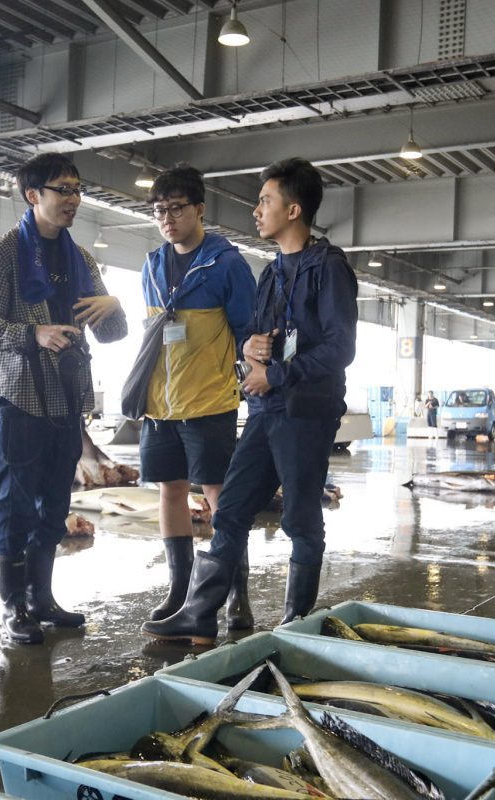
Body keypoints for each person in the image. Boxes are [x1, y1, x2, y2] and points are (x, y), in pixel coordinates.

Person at [142, 157, 358, 645]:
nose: (256, 210)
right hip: (266, 409)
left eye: (265, 201)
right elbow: (257, 336)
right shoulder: (271, 273)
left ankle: (294, 624)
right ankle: (199, 612)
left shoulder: (330, 269)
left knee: (302, 518)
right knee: (232, 508)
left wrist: (276, 372)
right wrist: (251, 350)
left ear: (295, 209)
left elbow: (340, 348)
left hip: (306, 412)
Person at [0, 153, 127, 646]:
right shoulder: (3, 255)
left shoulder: (81, 260)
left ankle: (42, 598)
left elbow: (112, 334)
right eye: (63, 190)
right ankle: (13, 605)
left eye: (77, 190)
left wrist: (114, 307)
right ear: (33, 195)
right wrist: (33, 333)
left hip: (67, 399)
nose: (73, 200)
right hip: (21, 399)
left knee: (55, 504)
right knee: (14, 506)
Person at [137, 165, 256, 630]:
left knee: (219, 496)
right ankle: (181, 591)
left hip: (209, 401)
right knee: (169, 491)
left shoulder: (226, 263)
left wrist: (253, 379)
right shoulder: (152, 264)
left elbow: (248, 331)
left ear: (199, 209)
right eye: (159, 211)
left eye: (176, 208)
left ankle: (236, 594)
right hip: (159, 404)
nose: (167, 218)